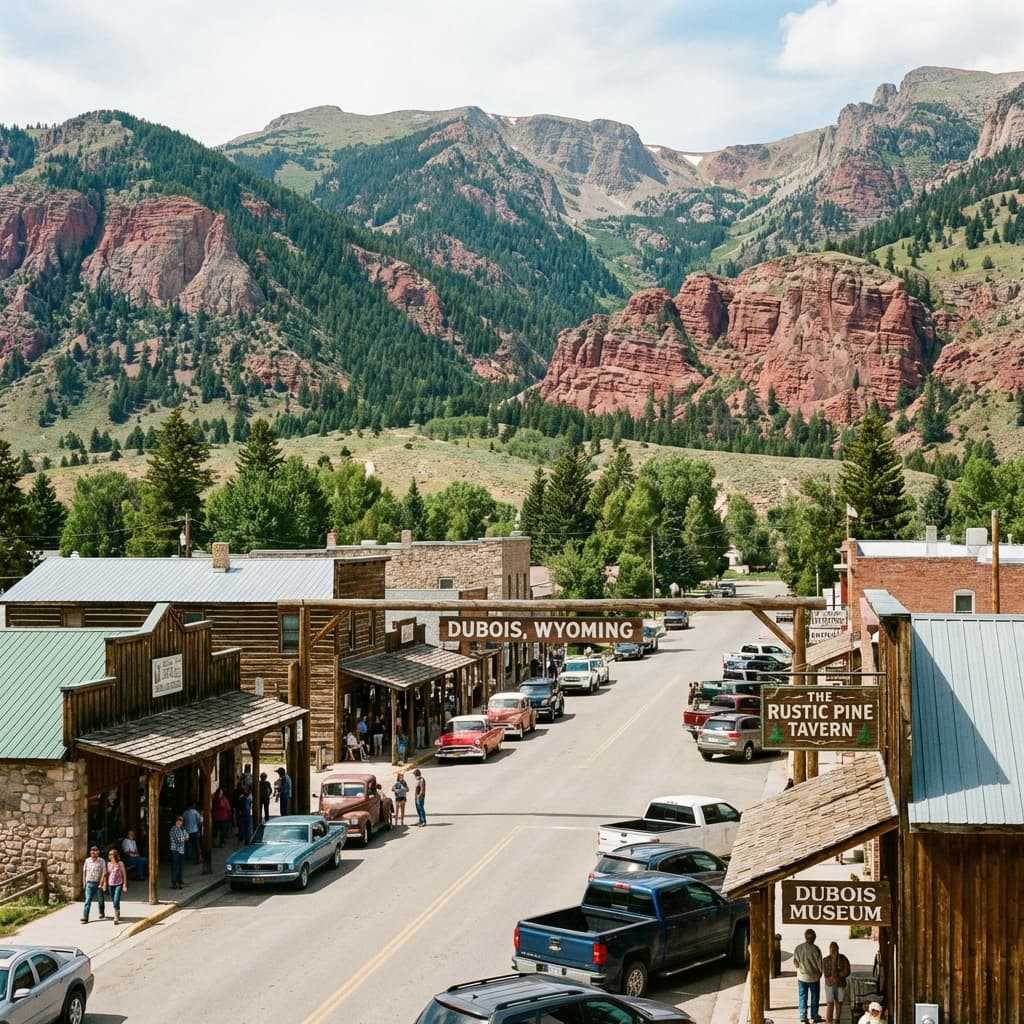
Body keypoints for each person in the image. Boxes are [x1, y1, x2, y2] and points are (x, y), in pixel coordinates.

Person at [793, 927, 823, 1024]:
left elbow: (796, 962)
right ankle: (814, 1015)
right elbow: (820, 965)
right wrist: (820, 973)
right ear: (814, 938)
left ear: (805, 937)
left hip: (802, 977)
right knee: (814, 997)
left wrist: (799, 968)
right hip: (814, 977)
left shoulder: (798, 948)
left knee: (802, 996)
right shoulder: (816, 949)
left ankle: (803, 1016)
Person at [822, 940, 851, 1024]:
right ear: (829, 950)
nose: (833, 951)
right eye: (832, 949)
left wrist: (837, 976)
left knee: (839, 1003)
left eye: (835, 949)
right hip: (830, 984)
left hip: (840, 984)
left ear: (838, 949)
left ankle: (837, 1019)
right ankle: (829, 1021)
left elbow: (847, 971)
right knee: (830, 1003)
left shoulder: (843, 959)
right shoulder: (826, 959)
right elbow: (826, 973)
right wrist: (832, 977)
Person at [80, 845, 107, 923]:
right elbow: (84, 871)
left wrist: (103, 882)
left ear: (98, 852)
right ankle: (85, 917)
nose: (93, 854)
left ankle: (101, 912)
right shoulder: (87, 861)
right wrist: (84, 882)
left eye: (95, 852)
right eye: (92, 852)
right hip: (89, 883)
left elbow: (104, 872)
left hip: (99, 883)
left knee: (100, 899)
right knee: (88, 900)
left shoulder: (101, 861)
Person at [106, 848, 127, 924]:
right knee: (114, 901)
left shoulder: (120, 863)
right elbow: (107, 875)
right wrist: (104, 884)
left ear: (115, 855)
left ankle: (116, 916)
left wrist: (124, 885)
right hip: (111, 884)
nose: (110, 856)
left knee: (116, 900)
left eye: (111, 854)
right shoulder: (109, 864)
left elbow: (124, 874)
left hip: (119, 883)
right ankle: (117, 911)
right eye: (109, 854)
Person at [169, 815, 188, 890]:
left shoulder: (182, 829)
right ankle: (174, 883)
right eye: (179, 820)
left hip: (181, 850)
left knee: (181, 867)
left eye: (181, 821)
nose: (180, 822)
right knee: (175, 867)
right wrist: (184, 838)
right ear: (176, 821)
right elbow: (178, 840)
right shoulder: (174, 829)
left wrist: (184, 837)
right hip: (175, 850)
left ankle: (180, 882)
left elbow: (187, 835)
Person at [182, 801, 202, 866]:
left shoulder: (185, 813)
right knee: (196, 846)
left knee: (187, 845)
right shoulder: (195, 812)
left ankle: (187, 856)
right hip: (194, 831)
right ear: (193, 805)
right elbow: (200, 820)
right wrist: (198, 827)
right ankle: (198, 858)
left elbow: (182, 821)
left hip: (187, 831)